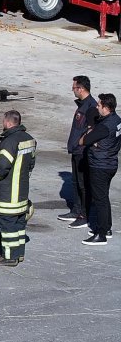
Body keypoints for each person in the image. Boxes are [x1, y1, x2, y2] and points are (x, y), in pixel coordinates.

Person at [0, 110, 37, 264]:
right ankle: (19, 253)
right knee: (19, 223)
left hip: (8, 192)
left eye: (3, 121)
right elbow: (31, 164)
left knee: (8, 225)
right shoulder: (29, 139)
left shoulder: (9, 141)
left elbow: (2, 166)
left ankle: (9, 257)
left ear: (9, 123)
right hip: (22, 191)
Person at [81, 93, 121, 246]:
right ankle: (107, 228)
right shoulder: (117, 121)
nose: (97, 107)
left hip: (100, 166)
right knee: (104, 197)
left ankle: (101, 234)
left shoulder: (104, 126)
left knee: (100, 199)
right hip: (110, 163)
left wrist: (92, 139)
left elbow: (83, 141)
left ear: (106, 107)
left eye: (99, 105)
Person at [61, 76, 97, 228]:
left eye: (74, 87)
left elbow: (92, 131)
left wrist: (82, 145)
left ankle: (84, 214)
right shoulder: (83, 105)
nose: (72, 90)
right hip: (76, 150)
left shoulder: (91, 107)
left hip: (83, 152)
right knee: (75, 182)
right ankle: (76, 210)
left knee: (83, 184)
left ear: (81, 89)